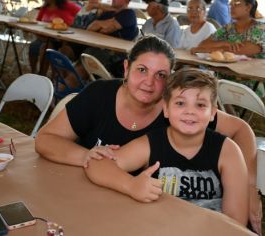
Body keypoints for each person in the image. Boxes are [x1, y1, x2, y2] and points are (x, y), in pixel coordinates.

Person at [35, 35, 261, 234]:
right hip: (101, 201)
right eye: (142, 70)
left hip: (156, 216)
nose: (149, 82)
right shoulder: (101, 96)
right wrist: (87, 157)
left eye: (161, 74)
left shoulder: (179, 110)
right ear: (126, 68)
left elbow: (240, 129)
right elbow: (46, 140)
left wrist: (249, 187)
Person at [84, 67, 249, 225]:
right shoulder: (151, 144)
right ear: (166, 109)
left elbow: (235, 222)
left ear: (213, 112)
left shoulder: (227, 151)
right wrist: (131, 185)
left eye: (200, 105)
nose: (189, 111)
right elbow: (97, 164)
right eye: (180, 103)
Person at [58, 0, 138, 85]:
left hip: (112, 53)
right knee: (63, 52)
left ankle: (64, 88)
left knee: (80, 69)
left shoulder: (129, 14)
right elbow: (91, 27)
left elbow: (107, 29)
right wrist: (101, 23)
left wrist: (100, 25)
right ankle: (65, 82)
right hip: (93, 46)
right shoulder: (108, 13)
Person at [191, 0, 265, 59]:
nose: (232, 7)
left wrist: (207, 50)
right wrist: (224, 43)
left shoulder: (260, 29)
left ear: (248, 7)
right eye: (230, 4)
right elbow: (202, 45)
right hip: (224, 78)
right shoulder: (228, 28)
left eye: (236, 3)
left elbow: (241, 50)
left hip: (251, 79)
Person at [28, 0, 81, 74]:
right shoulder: (44, 8)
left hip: (66, 39)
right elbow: (37, 23)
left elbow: (81, 17)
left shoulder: (69, 6)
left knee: (59, 51)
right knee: (37, 46)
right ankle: (39, 74)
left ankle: (55, 77)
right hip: (46, 38)